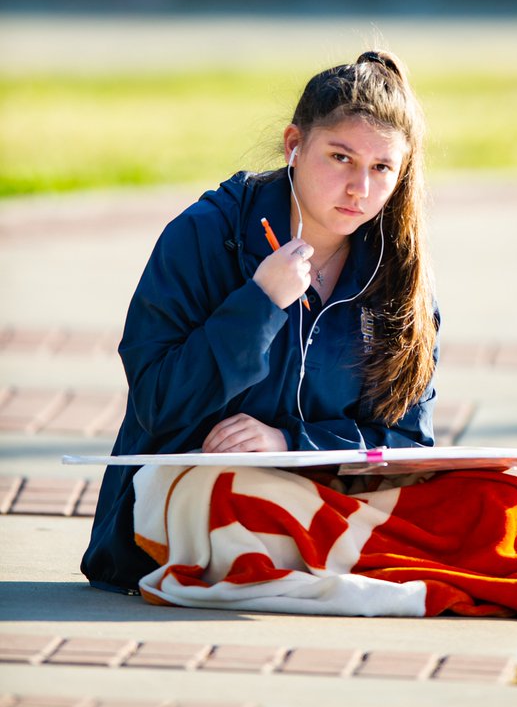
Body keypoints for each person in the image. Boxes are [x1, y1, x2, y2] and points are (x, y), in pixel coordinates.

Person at [82, 50, 439, 594]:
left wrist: (288, 442)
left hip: (330, 502)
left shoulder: (399, 271)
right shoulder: (206, 235)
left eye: (381, 168)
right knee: (237, 499)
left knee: (503, 502)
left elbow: (408, 442)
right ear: (295, 145)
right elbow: (158, 404)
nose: (360, 189)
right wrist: (260, 304)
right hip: (200, 497)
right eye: (340, 157)